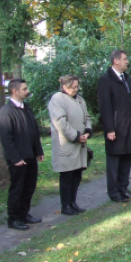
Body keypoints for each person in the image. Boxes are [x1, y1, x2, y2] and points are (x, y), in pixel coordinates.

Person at [0, 79, 44, 230]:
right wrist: (16, 158)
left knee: (29, 187)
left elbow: (34, 131)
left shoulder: (27, 107)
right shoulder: (6, 112)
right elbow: (6, 139)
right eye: (24, 89)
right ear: (15, 91)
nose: (27, 91)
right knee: (17, 189)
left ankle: (24, 214)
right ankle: (14, 218)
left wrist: (39, 151)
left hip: (30, 155)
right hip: (18, 158)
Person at [97, 49, 131, 202]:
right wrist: (110, 128)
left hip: (129, 125)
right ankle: (114, 192)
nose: (127, 61)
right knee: (114, 161)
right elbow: (105, 106)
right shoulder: (106, 80)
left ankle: (124, 188)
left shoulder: (127, 78)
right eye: (124, 59)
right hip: (115, 127)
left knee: (126, 159)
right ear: (116, 61)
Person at [48, 75, 92, 215]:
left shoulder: (80, 99)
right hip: (66, 144)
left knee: (77, 175)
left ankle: (73, 202)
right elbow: (60, 122)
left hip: (80, 145)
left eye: (77, 86)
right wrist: (76, 136)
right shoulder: (57, 99)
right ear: (64, 87)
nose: (76, 89)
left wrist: (87, 131)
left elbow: (87, 117)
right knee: (67, 176)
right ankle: (65, 205)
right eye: (73, 87)